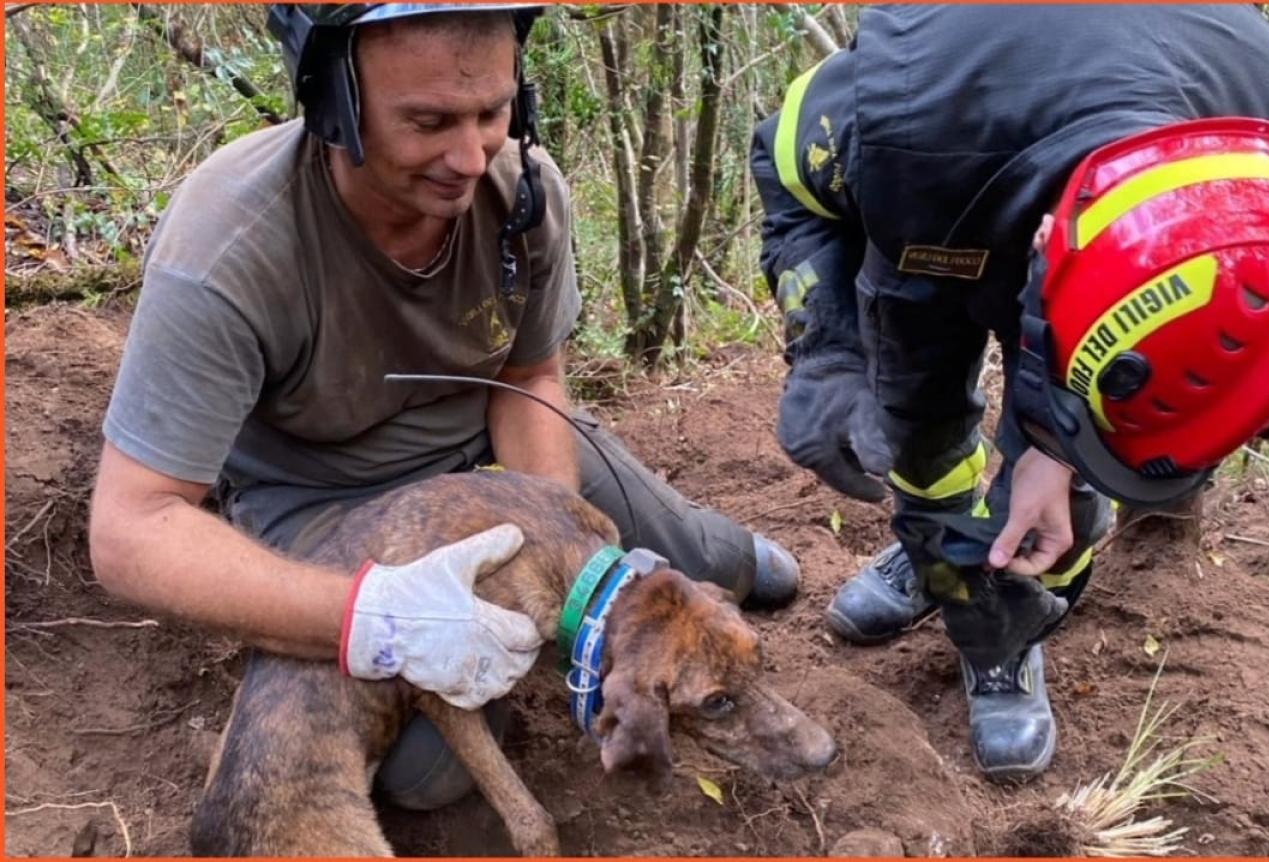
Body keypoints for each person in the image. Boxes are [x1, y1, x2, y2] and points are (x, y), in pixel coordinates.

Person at [88, 3, 799, 812]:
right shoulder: (228, 247)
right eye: (427, 121)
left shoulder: (523, 191)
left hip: (486, 448)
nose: (469, 157)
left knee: (704, 567)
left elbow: (531, 377)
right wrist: (375, 617)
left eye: (492, 112)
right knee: (425, 774)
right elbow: (131, 529)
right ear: (335, 105)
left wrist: (558, 549)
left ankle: (726, 548)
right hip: (328, 498)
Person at [752, 3, 1269, 780]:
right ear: (1046, 248)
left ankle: (1010, 619)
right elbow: (782, 160)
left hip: (1056, 195)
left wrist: (1059, 451)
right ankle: (942, 554)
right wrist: (827, 344)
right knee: (911, 417)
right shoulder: (906, 109)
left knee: (1063, 481)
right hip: (944, 198)